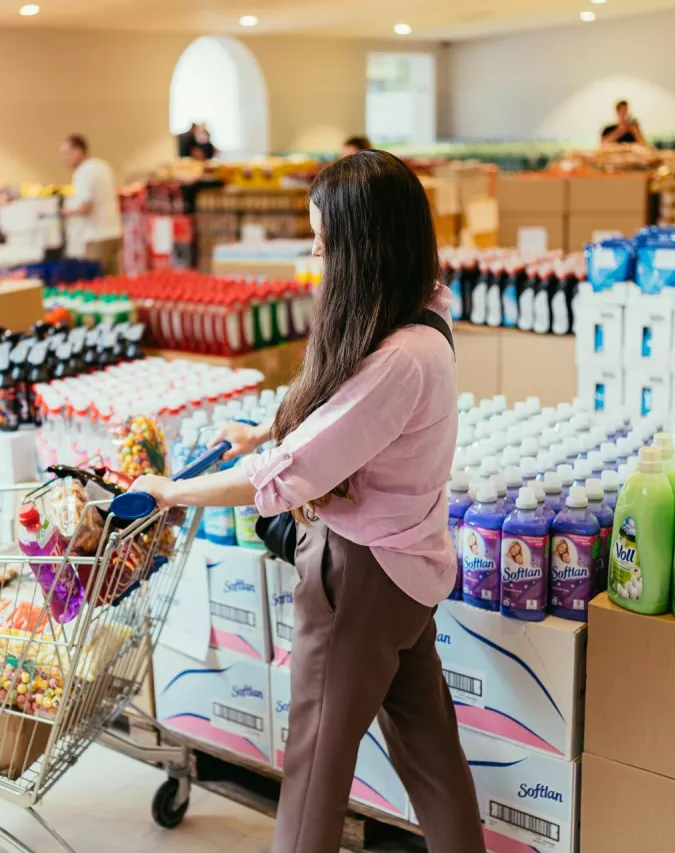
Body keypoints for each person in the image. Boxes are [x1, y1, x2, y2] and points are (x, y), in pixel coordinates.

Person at [129, 150, 485, 853]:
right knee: (431, 754)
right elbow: (344, 412)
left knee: (317, 760)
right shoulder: (423, 319)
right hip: (409, 575)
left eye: (324, 244)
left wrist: (169, 491)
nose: (315, 258)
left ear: (363, 249)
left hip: (360, 577)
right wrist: (262, 424)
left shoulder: (399, 359)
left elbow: (280, 479)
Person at [61, 134, 123, 276]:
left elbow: (85, 207)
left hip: (96, 237)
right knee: (114, 287)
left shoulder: (83, 172)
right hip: (114, 233)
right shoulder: (103, 166)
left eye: (67, 153)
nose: (65, 158)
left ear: (78, 151)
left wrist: (67, 211)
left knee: (96, 287)